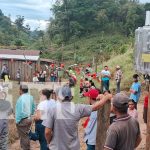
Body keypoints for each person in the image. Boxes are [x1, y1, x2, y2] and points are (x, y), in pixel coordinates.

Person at [42, 85, 112, 150]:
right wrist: (106, 97)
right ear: (71, 97)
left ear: (59, 96)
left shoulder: (52, 109)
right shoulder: (77, 108)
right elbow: (95, 106)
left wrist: (49, 142)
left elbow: (47, 132)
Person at [15, 85, 35, 150]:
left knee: (24, 137)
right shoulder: (31, 97)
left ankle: (25, 148)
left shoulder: (20, 99)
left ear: (21, 90)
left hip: (22, 120)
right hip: (29, 119)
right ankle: (26, 147)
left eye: (19, 90)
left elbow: (18, 112)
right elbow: (33, 108)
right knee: (26, 135)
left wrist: (17, 121)